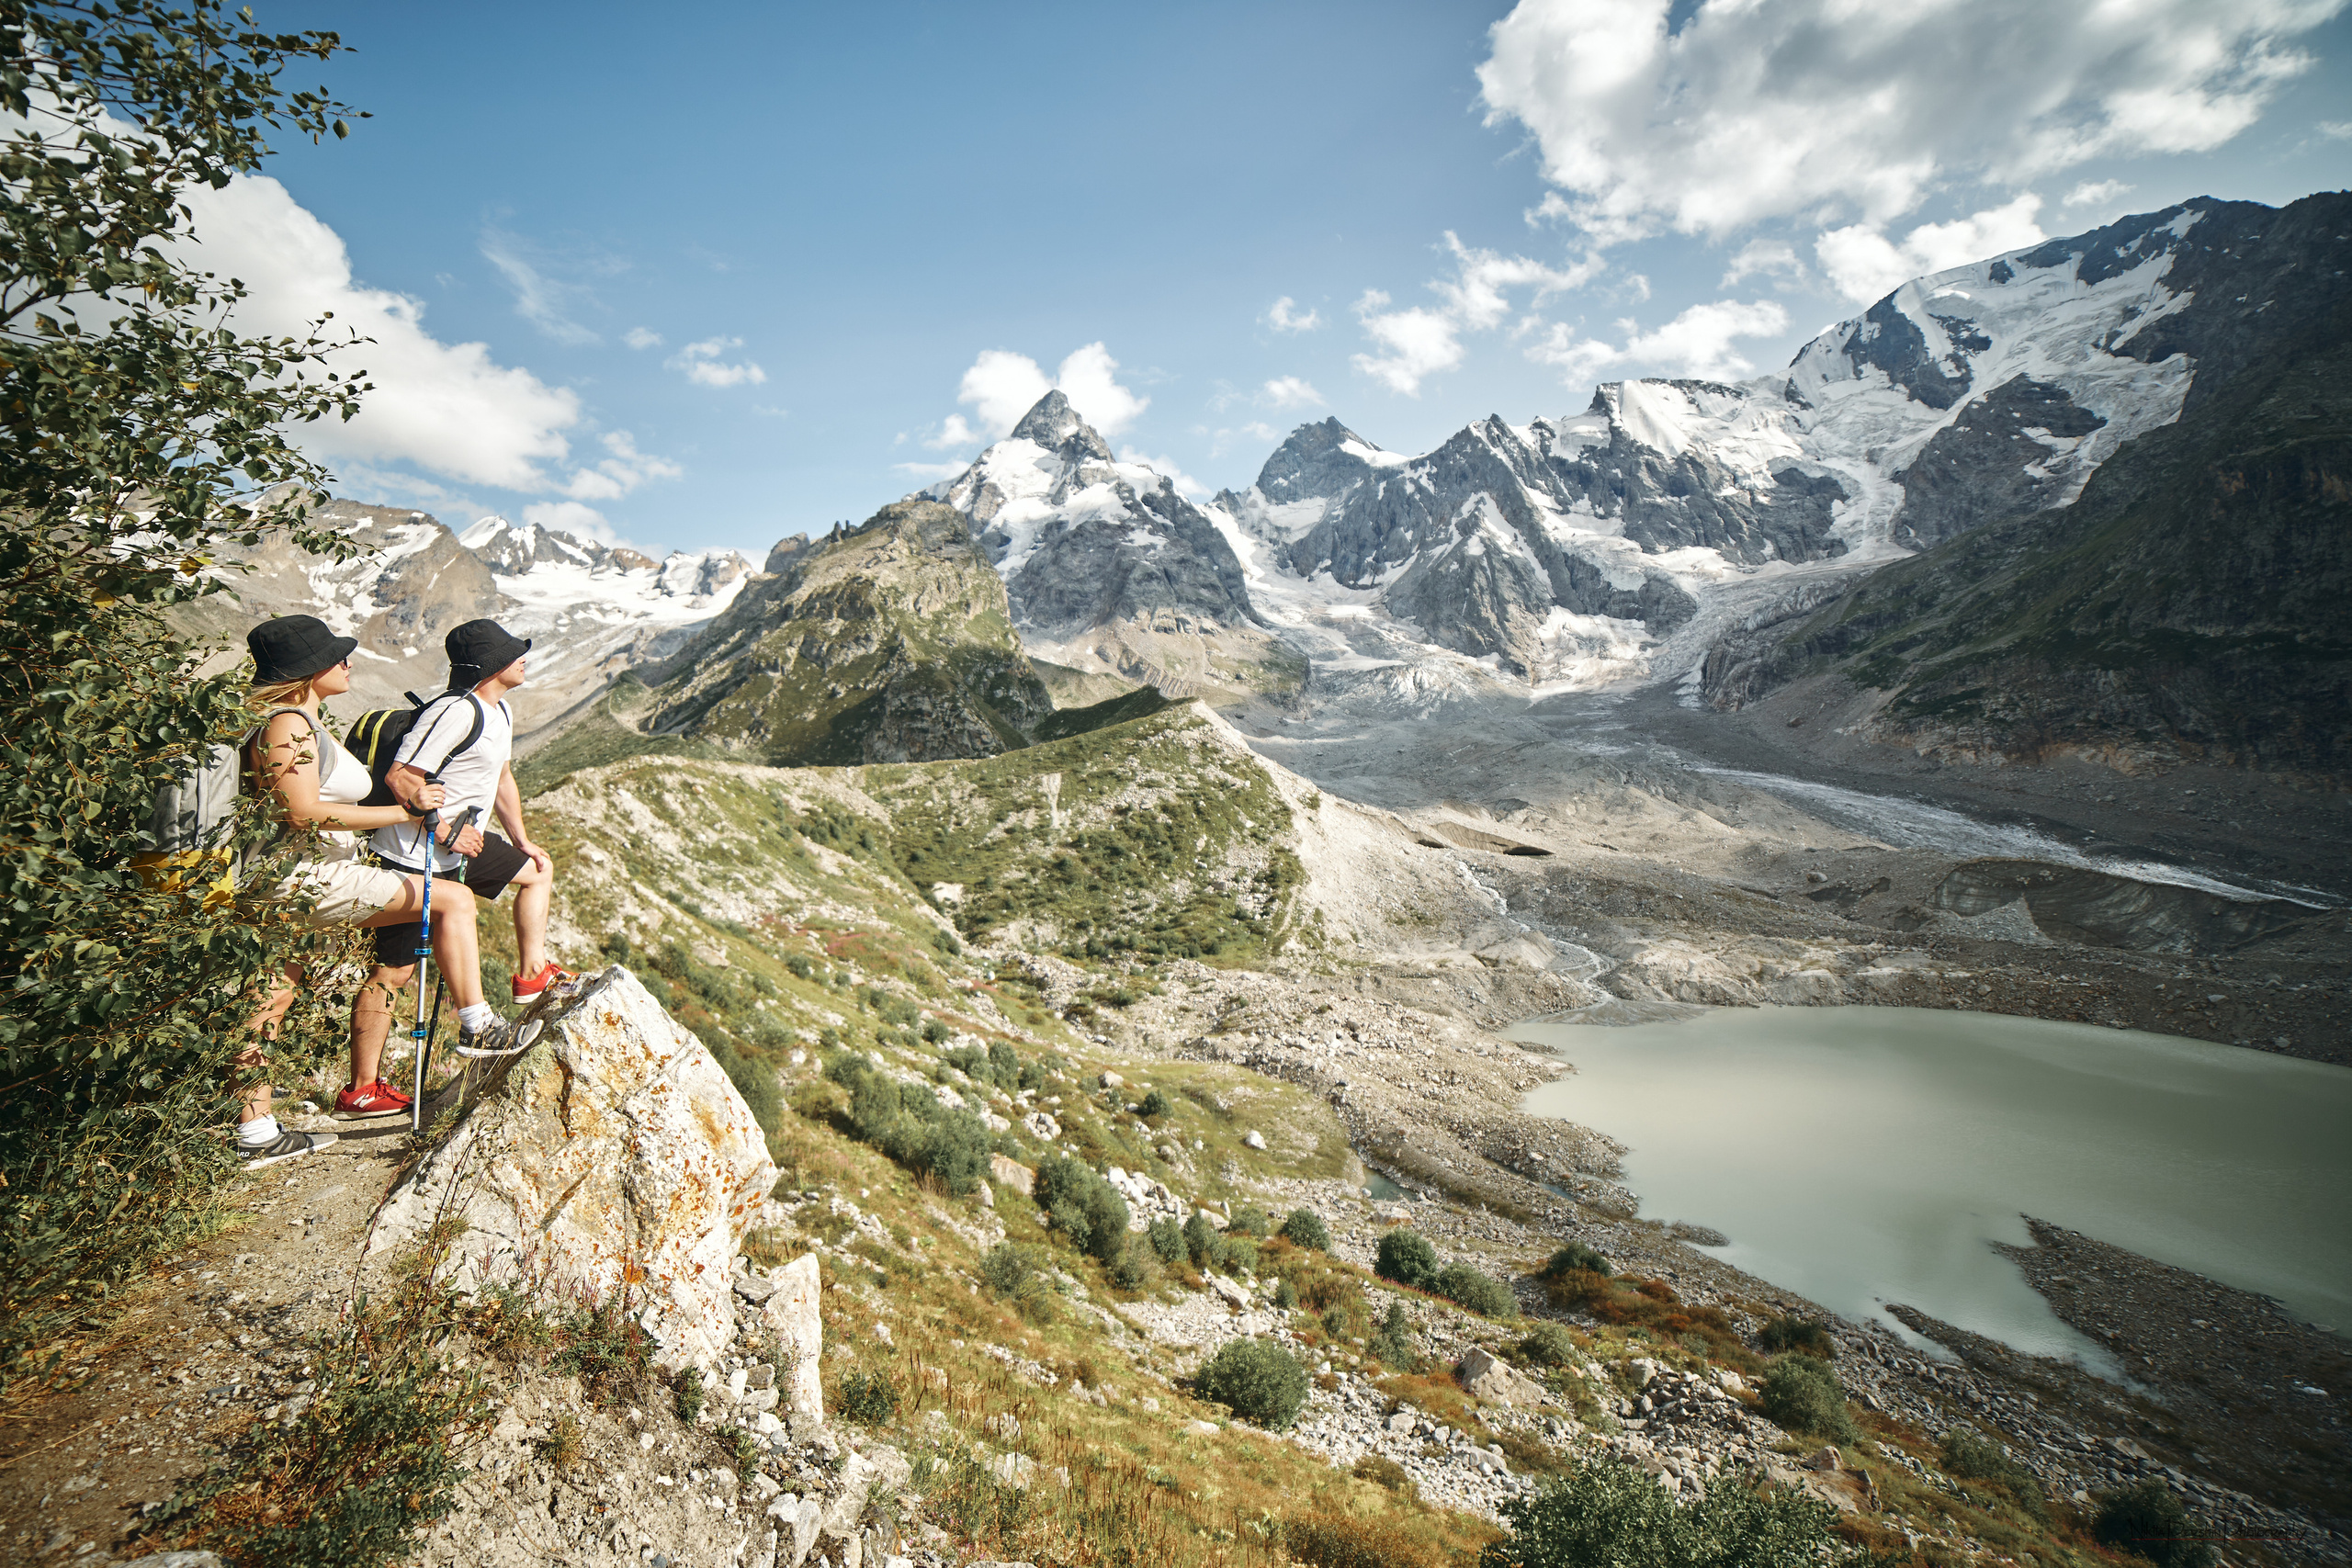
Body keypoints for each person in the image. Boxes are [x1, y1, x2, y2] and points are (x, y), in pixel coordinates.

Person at [232, 615, 492, 1168]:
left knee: (273, 994)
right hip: (300, 880)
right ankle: (477, 1026)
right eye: (336, 655)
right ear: (308, 671)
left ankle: (254, 1129)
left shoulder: (303, 723)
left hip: (296, 880)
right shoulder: (288, 727)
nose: (348, 662)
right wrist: (405, 810)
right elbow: (299, 811)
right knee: (453, 900)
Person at [358, 618, 569, 1068]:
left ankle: (532, 974)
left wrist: (522, 839)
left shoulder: (501, 711)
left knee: (537, 870)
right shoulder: (454, 711)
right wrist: (444, 829)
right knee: (393, 974)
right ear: (493, 665)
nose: (524, 659)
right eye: (515, 653)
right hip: (411, 853)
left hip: (459, 848)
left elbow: (502, 777)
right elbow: (402, 777)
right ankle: (362, 1086)